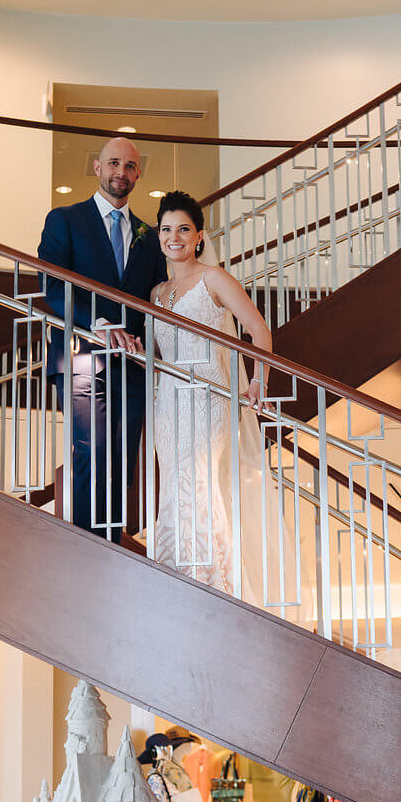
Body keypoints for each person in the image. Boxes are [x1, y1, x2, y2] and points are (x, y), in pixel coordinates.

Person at [149, 190, 280, 597]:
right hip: (168, 404)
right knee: (173, 486)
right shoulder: (157, 292)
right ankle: (172, 576)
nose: (174, 237)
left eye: (183, 229)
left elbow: (258, 331)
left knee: (199, 485)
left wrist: (258, 381)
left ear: (199, 236)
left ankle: (215, 587)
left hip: (207, 398)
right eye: (167, 229)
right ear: (158, 235)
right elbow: (159, 352)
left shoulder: (214, 279)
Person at [37, 137, 166, 540]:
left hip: (132, 362)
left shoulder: (150, 236)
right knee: (91, 451)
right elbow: (52, 285)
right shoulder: (64, 220)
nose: (120, 173)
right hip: (82, 355)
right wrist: (98, 323)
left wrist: (147, 341)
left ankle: (108, 545)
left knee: (122, 462)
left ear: (138, 173)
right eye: (113, 163)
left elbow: (155, 297)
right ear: (97, 167)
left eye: (129, 166)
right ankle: (86, 550)